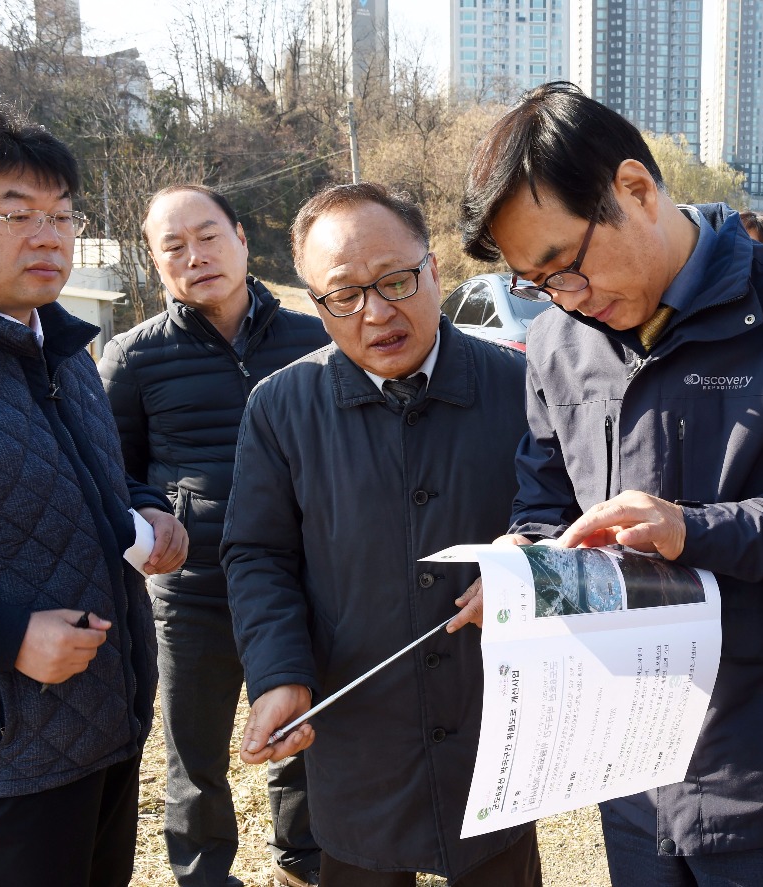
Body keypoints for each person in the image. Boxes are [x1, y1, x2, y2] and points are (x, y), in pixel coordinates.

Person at [459, 82, 763, 886]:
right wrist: (524, 561)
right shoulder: (560, 342)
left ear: (635, 189)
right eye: (540, 285)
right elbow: (545, 502)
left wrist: (694, 528)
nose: (567, 299)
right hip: (632, 764)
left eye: (566, 265)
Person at [220, 182, 542, 887]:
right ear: (314, 301)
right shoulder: (281, 408)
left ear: (434, 269)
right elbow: (257, 555)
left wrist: (529, 566)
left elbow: (559, 518)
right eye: (344, 295)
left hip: (494, 725)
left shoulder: (521, 387)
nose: (377, 311)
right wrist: (278, 673)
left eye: (397, 280)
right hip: (358, 734)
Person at [0, 105, 188, 886]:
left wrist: (151, 507)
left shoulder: (56, 346)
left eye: (63, 215)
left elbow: (93, 477)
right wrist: (5, 634)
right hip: (0, 765)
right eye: (15, 213)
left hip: (103, 730)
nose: (48, 235)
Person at [99, 184, 330, 887]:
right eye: (173, 246)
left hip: (299, 582)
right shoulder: (134, 358)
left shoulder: (313, 335)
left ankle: (304, 859)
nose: (195, 256)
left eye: (208, 235)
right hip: (191, 593)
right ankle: (202, 873)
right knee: (193, 751)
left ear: (240, 236)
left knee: (299, 736)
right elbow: (117, 471)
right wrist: (153, 509)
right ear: (155, 261)